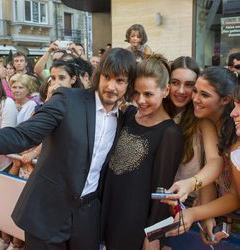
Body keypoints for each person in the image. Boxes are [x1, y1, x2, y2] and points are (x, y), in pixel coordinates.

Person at [0, 48, 136, 250]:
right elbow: (24, 134)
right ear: (97, 75)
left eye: (120, 81)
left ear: (128, 84)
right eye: (107, 77)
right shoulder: (68, 100)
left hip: (86, 219)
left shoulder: (123, 119)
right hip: (47, 212)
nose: (111, 86)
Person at [101, 54, 184, 250]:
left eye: (148, 94)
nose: (140, 100)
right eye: (136, 93)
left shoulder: (169, 132)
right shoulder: (128, 115)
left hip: (135, 222)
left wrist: (154, 234)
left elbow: (163, 190)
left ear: (165, 91)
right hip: (109, 208)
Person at [166, 85, 240, 239]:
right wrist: (200, 213)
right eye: (236, 105)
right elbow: (232, 193)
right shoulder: (235, 151)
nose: (195, 98)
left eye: (204, 94)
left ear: (224, 100)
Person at [164, 57, 223, 206]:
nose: (181, 91)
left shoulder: (202, 119)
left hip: (189, 200)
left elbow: (214, 161)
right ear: (167, 84)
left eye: (189, 85)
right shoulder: (158, 111)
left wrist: (193, 185)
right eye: (175, 82)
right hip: (160, 197)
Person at [0, 64, 17, 250]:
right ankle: (1, 239)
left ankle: (10, 241)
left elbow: (8, 139)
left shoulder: (6, 104)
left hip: (4, 165)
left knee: (5, 207)